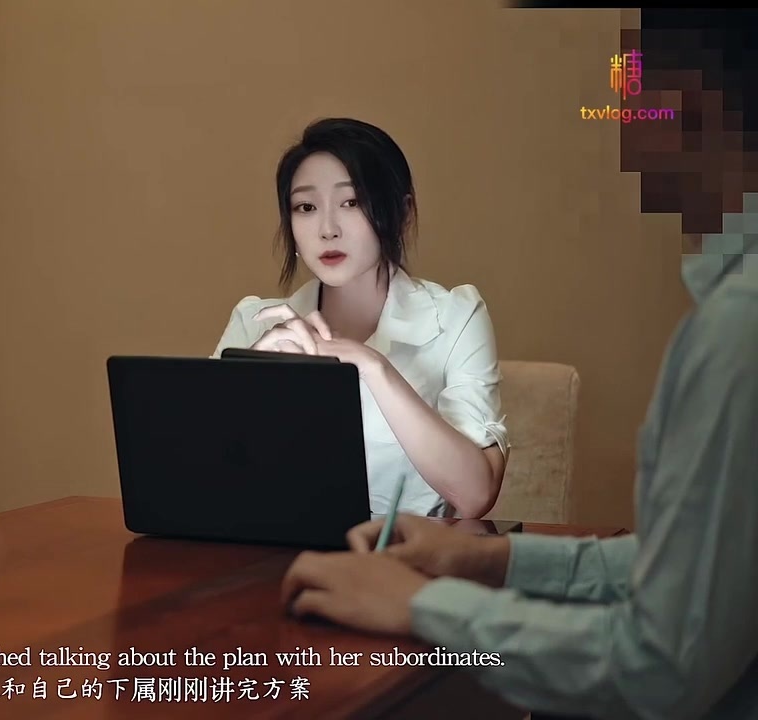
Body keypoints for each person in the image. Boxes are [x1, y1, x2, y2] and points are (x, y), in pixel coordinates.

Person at [280, 9, 758, 719]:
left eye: (633, 92)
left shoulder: (737, 330)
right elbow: (693, 570)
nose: (623, 126)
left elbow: (662, 665)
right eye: (305, 206)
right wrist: (492, 560)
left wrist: (425, 607)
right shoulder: (267, 319)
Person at [212, 118, 508, 519]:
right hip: (269, 549)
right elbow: (198, 476)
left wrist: (372, 366)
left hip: (403, 551)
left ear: (402, 213)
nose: (327, 230)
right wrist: (253, 380)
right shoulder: (255, 322)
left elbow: (476, 495)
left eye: (351, 202)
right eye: (306, 207)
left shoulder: (456, 317)